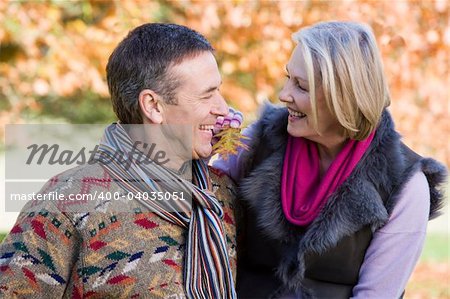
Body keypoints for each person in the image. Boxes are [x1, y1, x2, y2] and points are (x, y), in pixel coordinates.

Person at [0, 23, 238, 298]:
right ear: (153, 106)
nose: (222, 109)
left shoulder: (223, 194)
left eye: (219, 91)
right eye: (207, 95)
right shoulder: (66, 202)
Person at [213, 21, 447, 298]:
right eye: (288, 78)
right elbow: (198, 199)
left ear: (344, 98)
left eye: (301, 86)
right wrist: (206, 147)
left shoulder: (406, 187)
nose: (283, 94)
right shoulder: (259, 141)